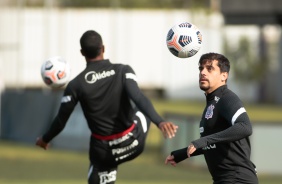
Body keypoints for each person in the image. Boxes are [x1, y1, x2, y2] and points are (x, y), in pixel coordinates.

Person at [36, 30, 178, 184]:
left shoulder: (76, 85)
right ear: (103, 48)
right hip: (133, 143)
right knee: (141, 111)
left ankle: (107, 172)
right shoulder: (123, 70)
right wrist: (160, 121)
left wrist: (45, 139)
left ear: (82, 52)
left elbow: (61, 120)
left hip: (105, 153)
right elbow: (138, 97)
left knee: (100, 165)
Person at [165, 53, 258, 184]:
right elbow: (214, 144)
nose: (203, 72)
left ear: (224, 76)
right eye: (201, 68)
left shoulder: (227, 98)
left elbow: (245, 126)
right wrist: (181, 154)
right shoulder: (212, 103)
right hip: (224, 180)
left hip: (238, 179)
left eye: (209, 69)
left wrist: (204, 140)